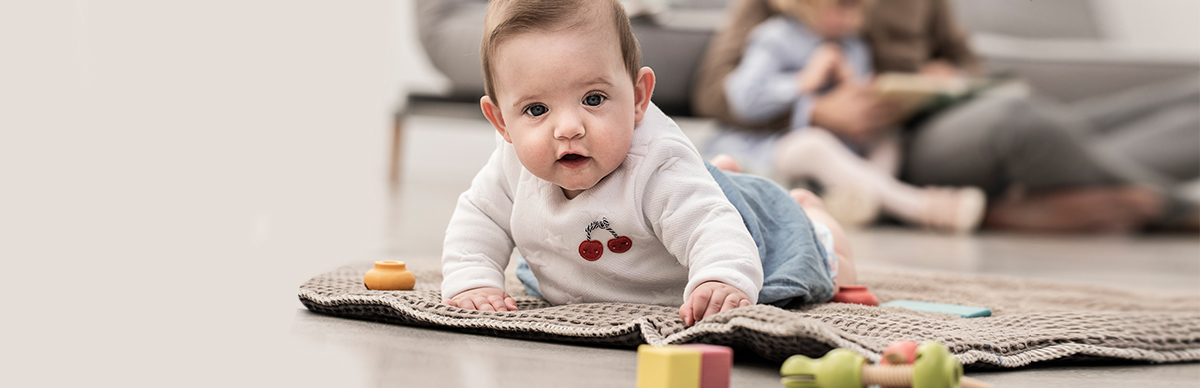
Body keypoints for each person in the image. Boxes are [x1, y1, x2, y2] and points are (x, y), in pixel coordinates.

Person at [441, 0, 862, 326]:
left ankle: (813, 213)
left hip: (746, 228)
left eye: (593, 99)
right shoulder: (510, 164)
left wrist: (720, 278)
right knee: (695, 191)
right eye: (536, 110)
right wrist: (474, 283)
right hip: (598, 264)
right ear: (501, 122)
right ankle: (722, 172)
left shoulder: (656, 165)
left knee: (823, 262)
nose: (568, 128)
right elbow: (478, 220)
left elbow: (710, 226)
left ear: (639, 97)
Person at [693, 0, 1195, 232]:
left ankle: (1100, 196)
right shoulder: (781, 17)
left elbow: (967, 61)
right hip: (895, 143)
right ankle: (1174, 208)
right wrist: (819, 108)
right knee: (1019, 119)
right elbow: (718, 90)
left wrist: (948, 74)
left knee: (1064, 124)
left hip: (932, 115)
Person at [714, 0, 986, 232]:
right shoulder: (775, 38)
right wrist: (801, 83)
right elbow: (743, 98)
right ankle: (921, 207)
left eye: (853, 8)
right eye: (839, 7)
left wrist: (858, 90)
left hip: (842, 145)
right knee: (813, 144)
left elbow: (854, 92)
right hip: (773, 143)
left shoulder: (853, 45)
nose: (848, 18)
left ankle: (864, 201)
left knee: (886, 139)